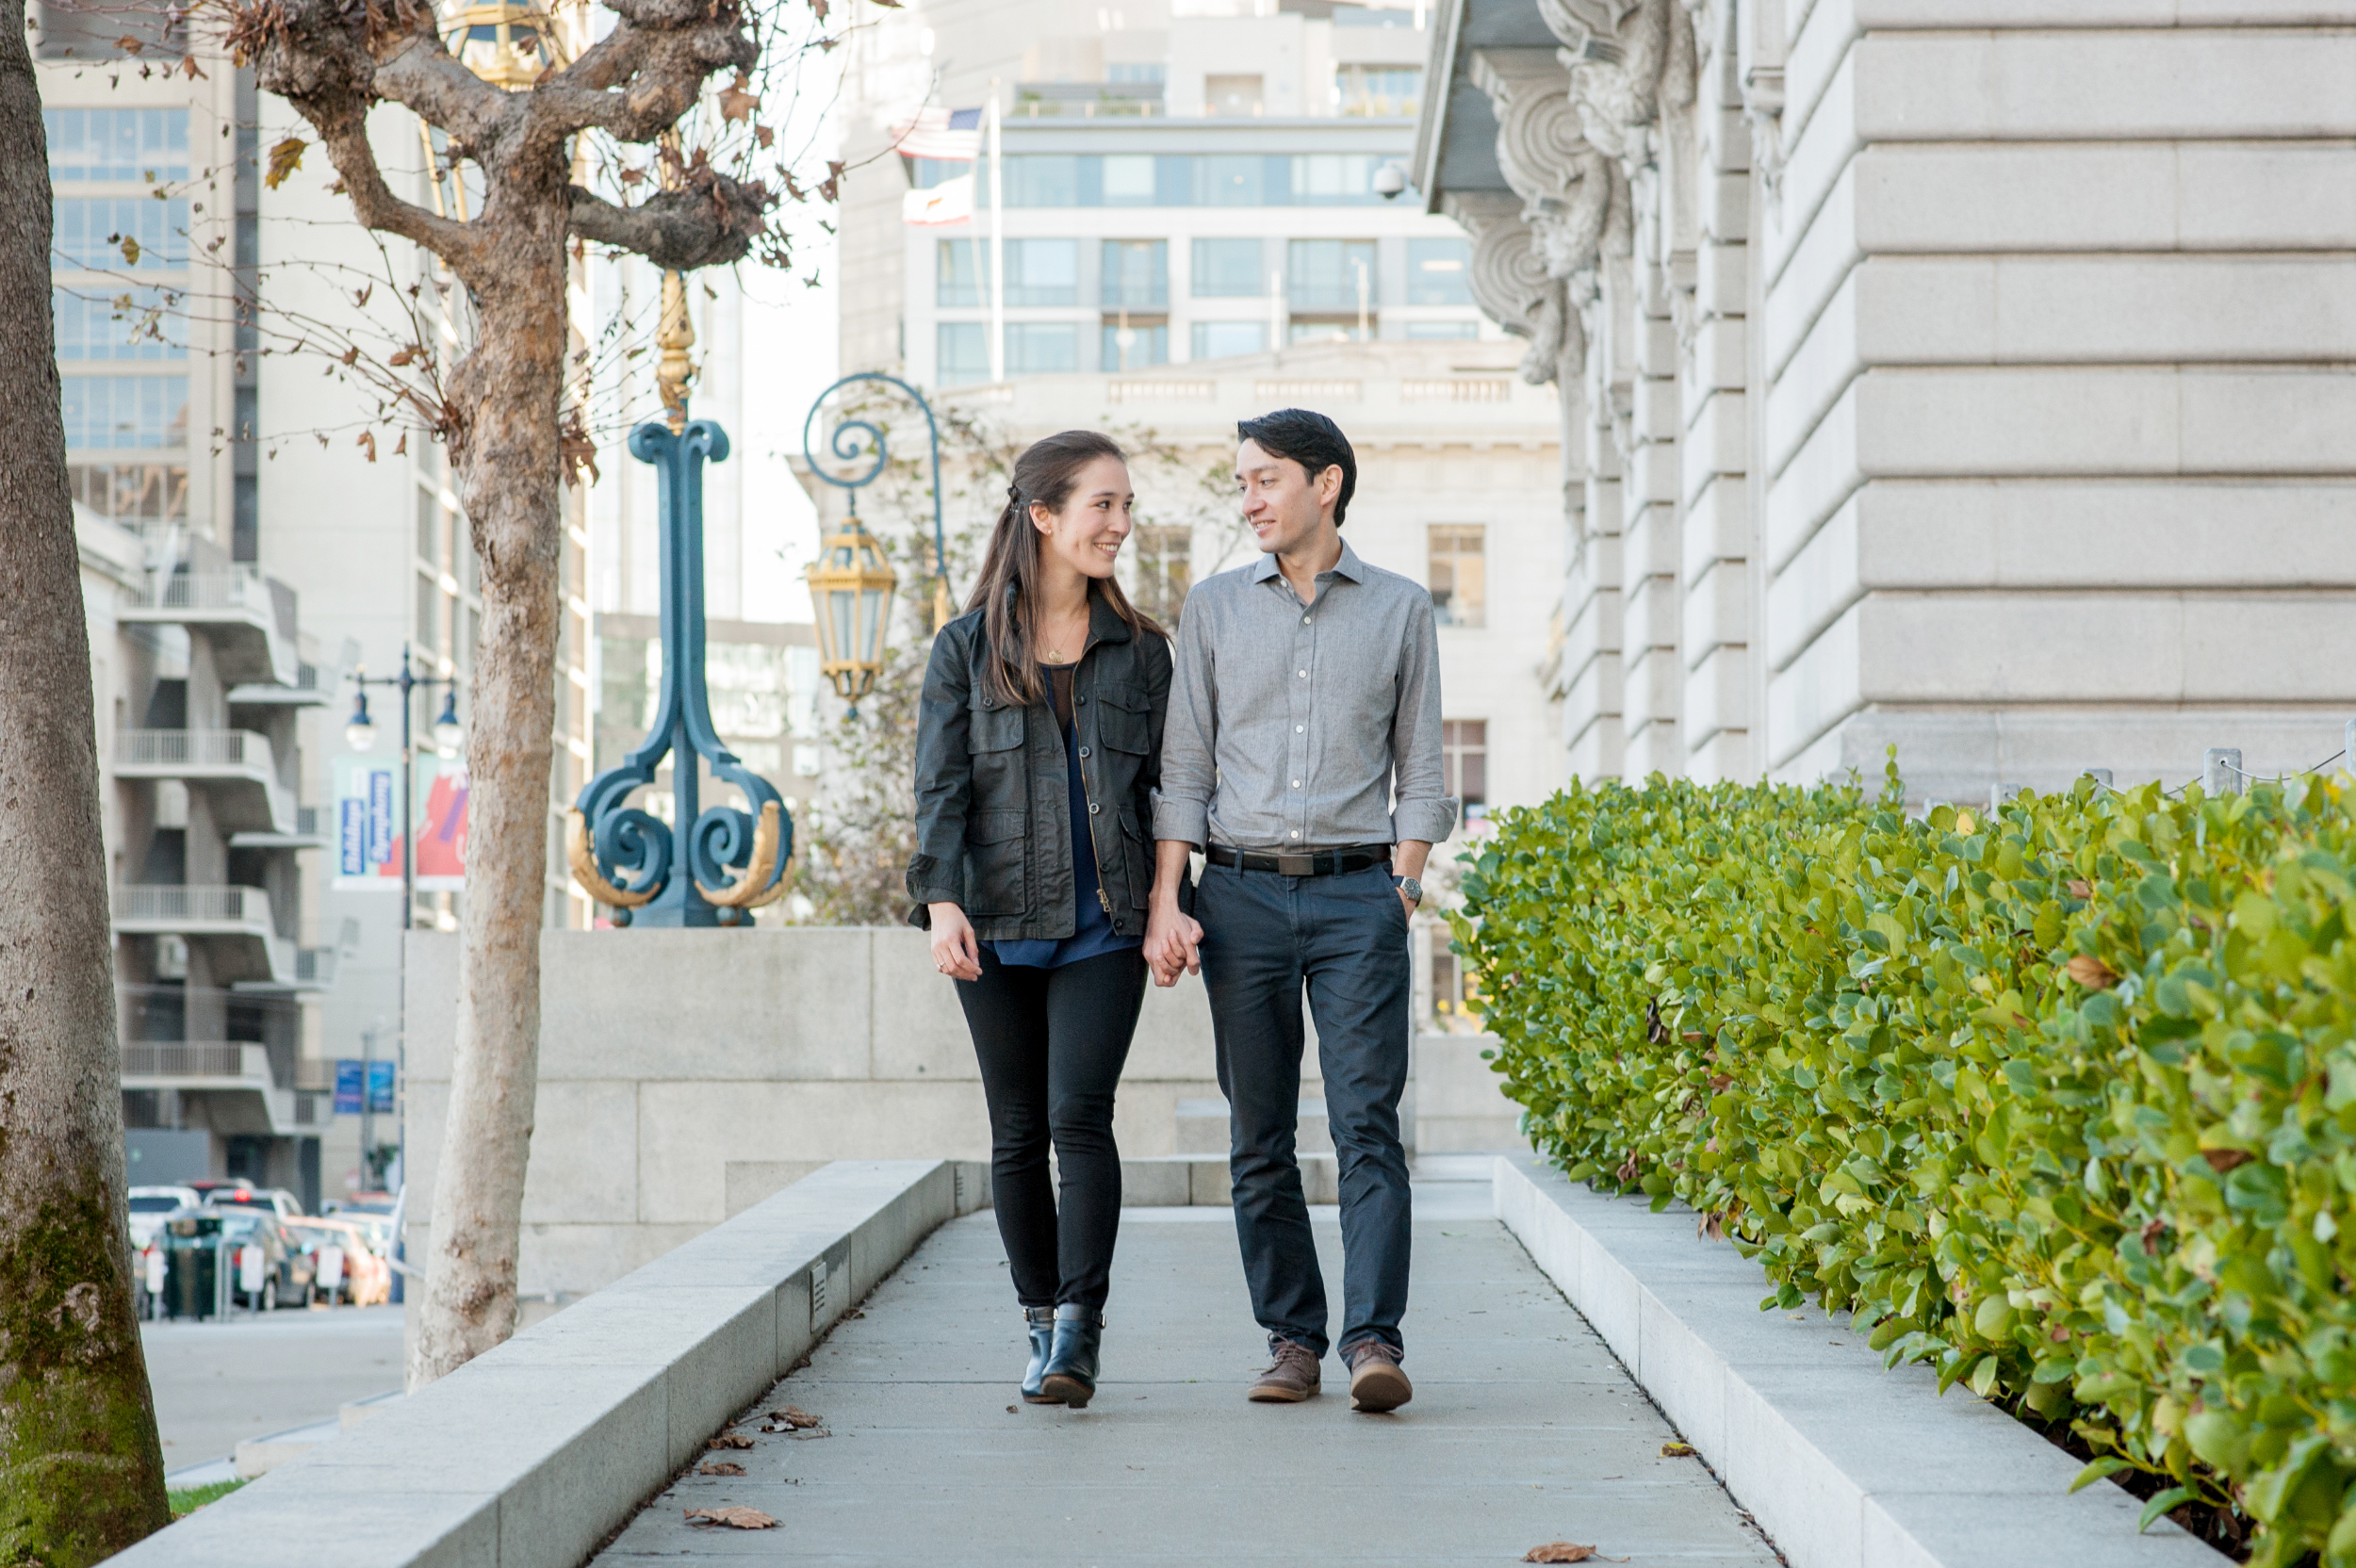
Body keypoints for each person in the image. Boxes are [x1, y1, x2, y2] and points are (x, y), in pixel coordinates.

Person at [1145, 407, 1455, 1414]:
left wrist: (1401, 881)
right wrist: (1169, 896)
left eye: (1264, 479)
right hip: (1235, 894)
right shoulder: (1214, 609)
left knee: (1369, 1123)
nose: (1249, 501)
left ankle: (1373, 1339)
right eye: (1241, 483)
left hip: (1360, 892)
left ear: (1325, 484)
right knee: (1259, 1132)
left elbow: (1424, 767)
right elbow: (1184, 764)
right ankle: (1291, 1338)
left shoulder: (1402, 608)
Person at [908, 430, 1171, 1411]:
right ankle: (1034, 1316)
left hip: (1107, 918)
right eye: (1104, 504)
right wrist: (940, 902)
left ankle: (1079, 1329)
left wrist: (1167, 903)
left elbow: (1167, 789)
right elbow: (938, 787)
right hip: (995, 918)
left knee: (1078, 1116)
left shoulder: (1143, 650)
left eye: (1126, 505)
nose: (1120, 524)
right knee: (1016, 1126)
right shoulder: (964, 648)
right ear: (1044, 515)